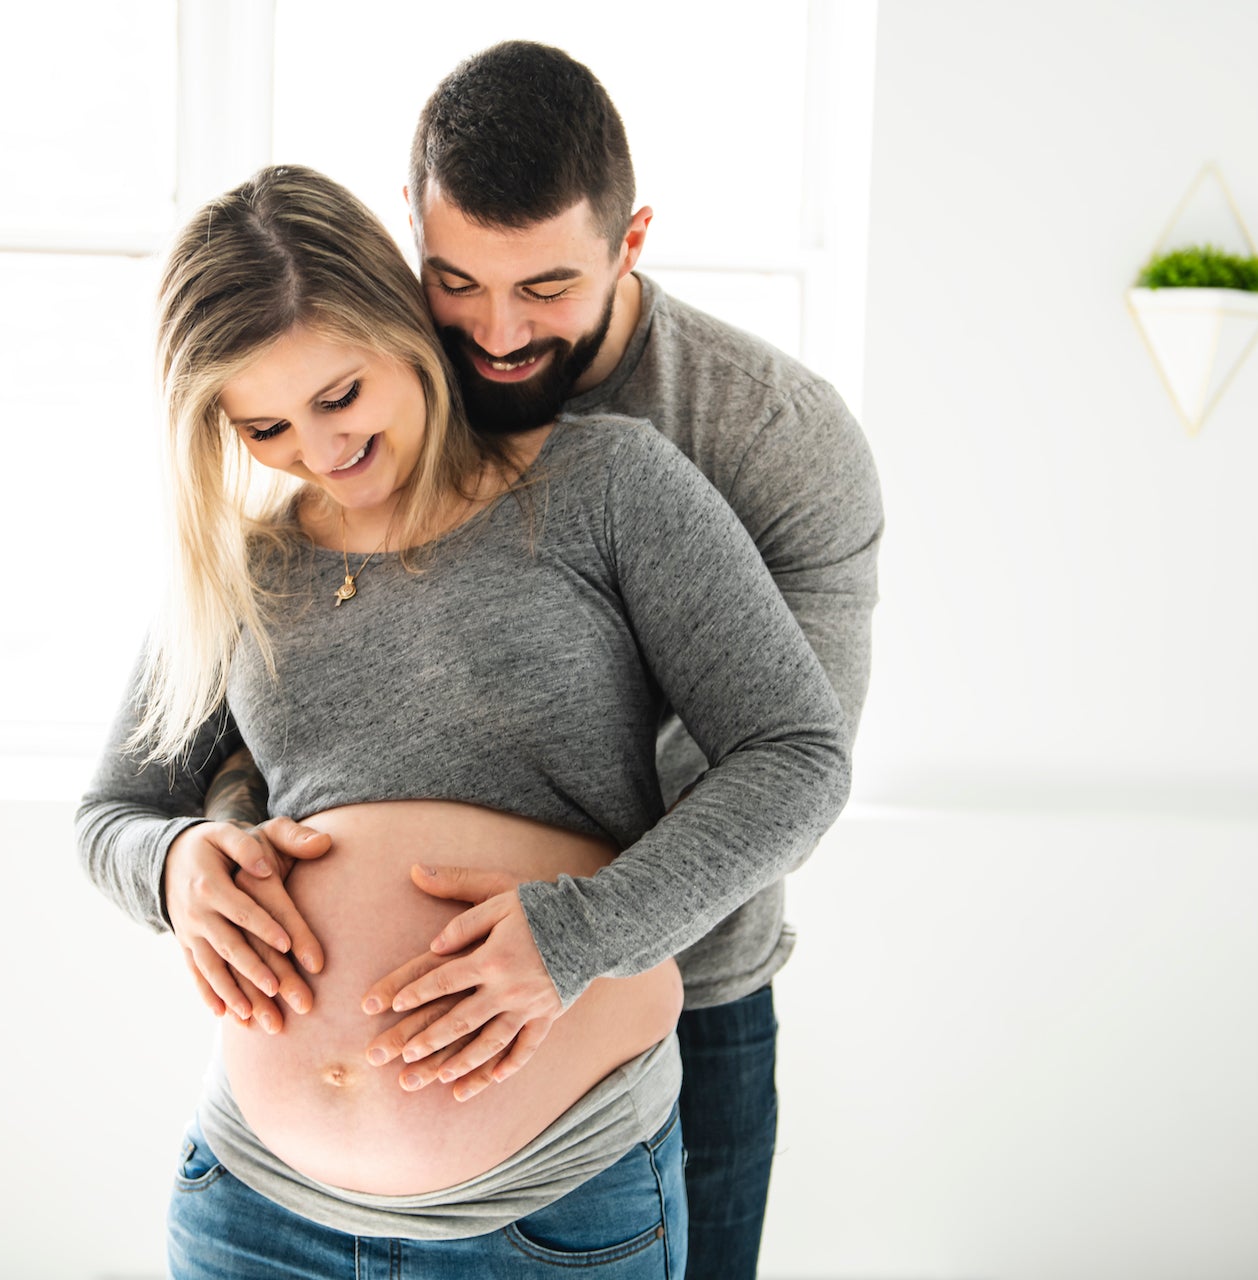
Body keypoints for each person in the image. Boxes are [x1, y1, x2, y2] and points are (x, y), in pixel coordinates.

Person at [174, 41, 885, 1278]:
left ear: (631, 241)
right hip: (269, 1184)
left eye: (546, 286)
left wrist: (572, 940)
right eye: (456, 282)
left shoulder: (757, 438)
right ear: (410, 249)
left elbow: (786, 754)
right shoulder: (364, 393)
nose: (495, 334)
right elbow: (250, 724)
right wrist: (227, 843)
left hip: (669, 995)